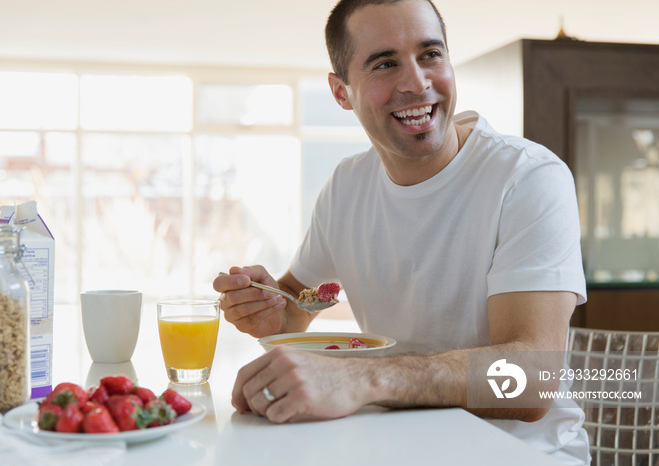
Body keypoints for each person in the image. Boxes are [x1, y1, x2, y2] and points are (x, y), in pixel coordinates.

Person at [213, 0, 589, 464]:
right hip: (397, 446)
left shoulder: (528, 177)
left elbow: (533, 379)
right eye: (385, 63)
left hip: (521, 454)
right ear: (341, 92)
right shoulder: (346, 187)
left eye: (431, 54)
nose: (417, 83)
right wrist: (273, 313)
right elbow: (298, 304)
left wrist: (361, 378)